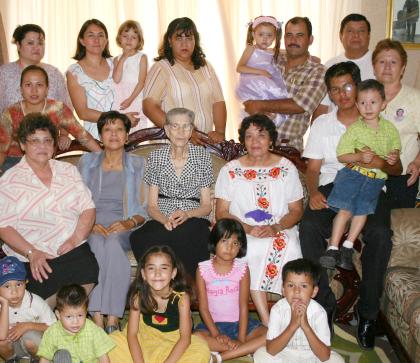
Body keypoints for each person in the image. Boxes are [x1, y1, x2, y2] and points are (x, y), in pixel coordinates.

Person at [299, 61, 402, 350]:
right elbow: (313, 167)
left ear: (357, 85)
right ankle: (322, 305)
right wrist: (314, 192)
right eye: (335, 89)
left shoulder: (379, 119)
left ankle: (368, 313)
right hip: (335, 185)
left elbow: (397, 169)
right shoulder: (322, 123)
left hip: (372, 186)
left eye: (347, 86)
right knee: (308, 226)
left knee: (381, 235)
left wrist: (380, 162)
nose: (342, 94)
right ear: (329, 94)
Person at [0, 114, 99, 308]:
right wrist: (32, 252)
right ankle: (52, 318)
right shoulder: (9, 181)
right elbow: (3, 227)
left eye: (47, 141)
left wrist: (74, 239)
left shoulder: (67, 171)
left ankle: (68, 317)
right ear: (22, 144)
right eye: (34, 141)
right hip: (35, 256)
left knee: (87, 266)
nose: (42, 146)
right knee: (41, 293)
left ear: (54, 144)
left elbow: (88, 209)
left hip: (70, 249)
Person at [215, 114, 303, 327]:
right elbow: (221, 212)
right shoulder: (231, 170)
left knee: (290, 248)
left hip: (280, 228)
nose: (255, 141)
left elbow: (296, 210)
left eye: (261, 135)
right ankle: (267, 323)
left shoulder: (286, 168)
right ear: (243, 141)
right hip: (243, 229)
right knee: (250, 249)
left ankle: (292, 319)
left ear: (271, 139)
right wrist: (247, 228)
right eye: (249, 136)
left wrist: (276, 227)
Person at [319, 79, 401, 271]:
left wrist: (392, 156)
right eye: (363, 103)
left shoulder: (390, 130)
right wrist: (358, 156)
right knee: (345, 209)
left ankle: (347, 247)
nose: (368, 107)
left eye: (373, 102)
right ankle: (332, 248)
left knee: (362, 210)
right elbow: (341, 155)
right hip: (353, 175)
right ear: (357, 105)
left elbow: (395, 154)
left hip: (375, 180)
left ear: (383, 104)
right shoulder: (355, 128)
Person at [78, 111, 148, 333]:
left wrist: (128, 223)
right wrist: (89, 223)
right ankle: (98, 317)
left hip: (126, 225)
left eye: (119, 129)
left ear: (127, 136)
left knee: (114, 242)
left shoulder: (139, 164)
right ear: (100, 135)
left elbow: (146, 205)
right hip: (91, 223)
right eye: (108, 129)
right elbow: (75, 199)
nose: (114, 134)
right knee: (98, 243)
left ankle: (113, 317)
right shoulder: (86, 161)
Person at [130, 108, 213, 277]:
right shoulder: (155, 157)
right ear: (167, 130)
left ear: (191, 130)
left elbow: (206, 206)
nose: (181, 132)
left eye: (186, 127)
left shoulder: (203, 157)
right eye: (175, 126)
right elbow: (152, 206)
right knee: (139, 237)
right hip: (162, 215)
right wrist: (164, 220)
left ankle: (183, 289)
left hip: (193, 215)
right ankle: (156, 285)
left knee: (186, 235)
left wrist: (187, 214)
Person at [109, 245, 210, 363]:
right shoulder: (139, 296)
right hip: (144, 338)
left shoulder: (182, 299)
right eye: (151, 268)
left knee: (201, 350)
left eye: (164, 268)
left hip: (173, 342)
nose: (157, 274)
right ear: (143, 274)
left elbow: (185, 339)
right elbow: (132, 335)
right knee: (112, 343)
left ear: (173, 273)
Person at [244, 17, 326, 152]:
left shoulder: (318, 71)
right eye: (289, 35)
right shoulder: (272, 59)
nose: (293, 41)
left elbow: (299, 105)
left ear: (310, 40)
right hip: (253, 145)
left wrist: (259, 105)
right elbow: (248, 83)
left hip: (286, 151)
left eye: (299, 35)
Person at [0, 65, 100, 174]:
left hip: (46, 160)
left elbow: (83, 136)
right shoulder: (10, 112)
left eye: (39, 85)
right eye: (28, 85)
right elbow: (2, 147)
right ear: (21, 89)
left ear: (47, 89)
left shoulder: (58, 109)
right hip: (15, 162)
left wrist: (104, 157)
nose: (34, 90)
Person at [142, 17, 226, 145]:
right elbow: (149, 107)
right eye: (179, 38)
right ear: (170, 41)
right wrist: (182, 130)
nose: (184, 43)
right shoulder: (161, 68)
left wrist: (220, 132)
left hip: (204, 146)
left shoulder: (206, 67)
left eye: (189, 38)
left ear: (195, 41)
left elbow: (218, 102)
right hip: (172, 148)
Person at [194, 219, 267, 362]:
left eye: (235, 243)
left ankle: (221, 356)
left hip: (240, 325)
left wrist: (240, 338)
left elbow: (243, 306)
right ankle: (245, 349)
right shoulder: (202, 269)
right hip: (212, 326)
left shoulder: (243, 268)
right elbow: (203, 308)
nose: (230, 248)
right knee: (195, 338)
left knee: (271, 336)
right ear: (215, 242)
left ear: (241, 247)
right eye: (225, 241)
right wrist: (216, 335)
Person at [253, 258, 344, 363]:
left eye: (304, 286)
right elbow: (271, 350)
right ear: (283, 290)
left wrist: (305, 325)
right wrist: (293, 325)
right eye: (291, 285)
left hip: (312, 357)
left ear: (314, 291)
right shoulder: (278, 310)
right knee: (261, 354)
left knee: (336, 360)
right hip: (283, 355)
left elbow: (324, 356)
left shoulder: (319, 313)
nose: (296, 291)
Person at [67, 19, 139, 140]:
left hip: (127, 132)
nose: (96, 40)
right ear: (82, 41)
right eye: (91, 35)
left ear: (106, 40)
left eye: (101, 35)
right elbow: (82, 112)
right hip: (95, 137)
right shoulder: (74, 72)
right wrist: (120, 118)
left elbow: (132, 90)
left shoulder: (116, 63)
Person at [373, 39, 420, 208]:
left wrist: (417, 163)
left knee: (397, 227)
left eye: (393, 62)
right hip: (369, 174)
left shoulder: (415, 98)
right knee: (374, 228)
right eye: (382, 62)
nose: (387, 67)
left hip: (403, 175)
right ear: (374, 67)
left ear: (403, 68)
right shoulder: (364, 96)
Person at [0, 24, 71, 114]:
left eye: (40, 43)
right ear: (18, 45)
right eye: (30, 43)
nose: (36, 47)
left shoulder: (54, 73)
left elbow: (66, 112)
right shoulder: (4, 73)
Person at [37, 284, 115, 363]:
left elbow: (103, 358)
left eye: (80, 315)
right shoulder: (52, 332)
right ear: (58, 315)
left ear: (86, 312)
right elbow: (45, 359)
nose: (75, 322)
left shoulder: (93, 330)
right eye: (69, 317)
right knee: (62, 355)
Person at [316, 14, 374, 116]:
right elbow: (322, 106)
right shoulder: (330, 65)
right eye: (350, 31)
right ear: (340, 36)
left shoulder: (379, 63)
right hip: (335, 127)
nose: (356, 35)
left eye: (361, 31)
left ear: (369, 36)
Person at [0, 256, 56, 362]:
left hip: (35, 343)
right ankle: (13, 360)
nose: (14, 292)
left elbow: (54, 326)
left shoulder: (36, 302)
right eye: (7, 286)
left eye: (18, 284)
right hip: (12, 345)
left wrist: (27, 326)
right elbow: (1, 336)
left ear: (26, 282)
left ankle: (38, 359)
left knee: (30, 337)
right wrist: (4, 304)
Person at [236, 15, 287, 126]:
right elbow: (239, 67)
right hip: (252, 81)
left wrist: (310, 57)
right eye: (261, 34)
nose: (265, 39)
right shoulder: (251, 48)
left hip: (265, 82)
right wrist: (260, 72)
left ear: (275, 37)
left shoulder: (272, 51)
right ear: (254, 34)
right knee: (253, 109)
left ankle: (266, 116)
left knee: (271, 100)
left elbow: (287, 51)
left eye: (269, 35)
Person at [113, 20, 149, 133]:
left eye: (133, 37)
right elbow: (116, 79)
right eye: (125, 36)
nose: (129, 40)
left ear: (139, 41)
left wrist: (130, 99)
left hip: (135, 96)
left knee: (137, 128)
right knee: (121, 129)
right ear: (119, 38)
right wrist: (124, 58)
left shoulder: (141, 57)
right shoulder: (116, 59)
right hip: (120, 97)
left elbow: (141, 82)